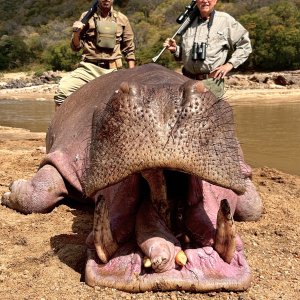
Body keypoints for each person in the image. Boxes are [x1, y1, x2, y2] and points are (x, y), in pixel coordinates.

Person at [54, 0, 135, 110]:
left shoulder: (122, 19)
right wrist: (76, 33)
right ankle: (59, 127)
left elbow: (129, 50)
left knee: (126, 101)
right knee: (62, 91)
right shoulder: (86, 16)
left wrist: (132, 75)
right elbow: (76, 47)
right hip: (88, 68)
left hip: (113, 70)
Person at [163, 0, 252, 98]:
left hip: (212, 83)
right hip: (186, 81)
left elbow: (245, 46)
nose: (205, 1)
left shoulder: (225, 20)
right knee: (185, 113)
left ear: (215, 1)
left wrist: (229, 65)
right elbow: (185, 55)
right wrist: (175, 50)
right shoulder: (188, 22)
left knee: (213, 113)